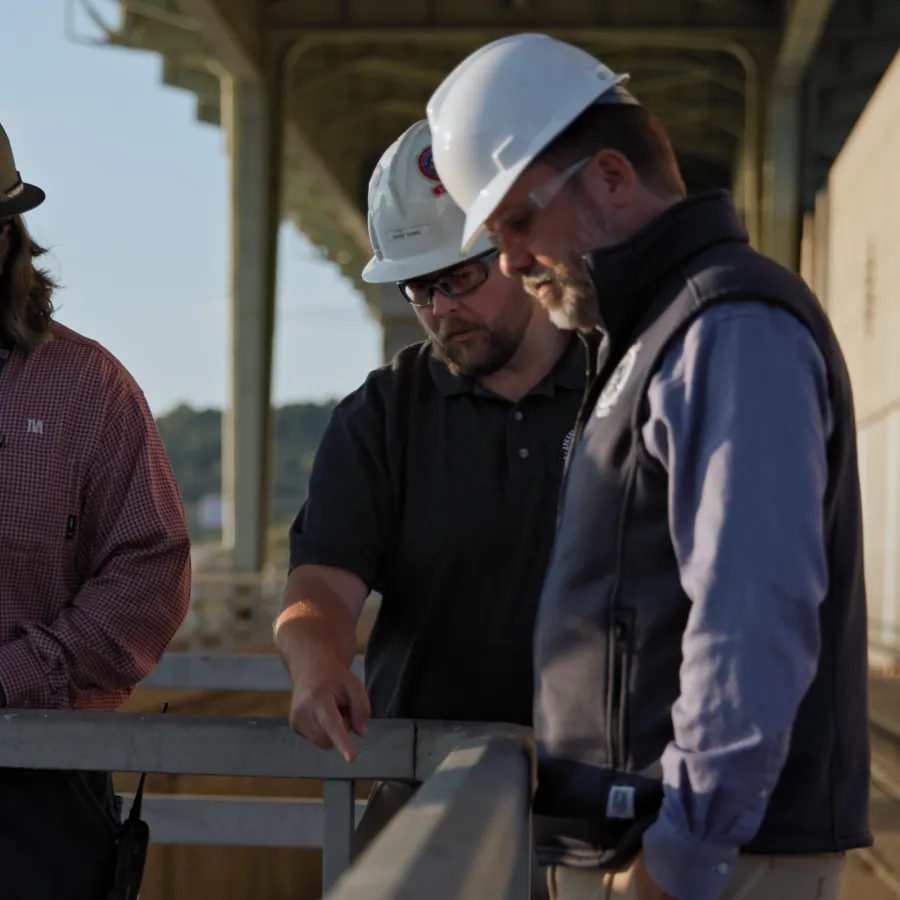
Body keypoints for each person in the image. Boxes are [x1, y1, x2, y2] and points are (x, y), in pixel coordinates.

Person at [426, 33, 869, 900]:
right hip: (660, 848)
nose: (509, 261)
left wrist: (680, 859)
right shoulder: (660, 333)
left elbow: (753, 618)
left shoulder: (726, 330)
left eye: (517, 220)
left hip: (711, 864)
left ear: (611, 179)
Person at [273, 120, 590, 870]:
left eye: (459, 278)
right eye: (418, 287)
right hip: (430, 792)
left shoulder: (624, 385)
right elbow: (320, 580)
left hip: (604, 801)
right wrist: (316, 663)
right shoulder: (384, 413)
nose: (440, 308)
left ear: (521, 248)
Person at [0, 121, 192, 900]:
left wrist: (14, 674)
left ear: (7, 237)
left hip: (39, 778)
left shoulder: (90, 389)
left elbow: (151, 571)